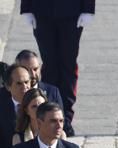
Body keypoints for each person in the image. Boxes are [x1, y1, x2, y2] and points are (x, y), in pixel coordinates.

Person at [20, 0, 96, 136]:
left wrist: (88, 8)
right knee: (49, 66)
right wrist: (26, 7)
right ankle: (48, 114)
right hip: (42, 11)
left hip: (72, 11)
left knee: (68, 66)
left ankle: (65, 118)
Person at [15, 49, 73, 136]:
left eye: (35, 69)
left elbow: (61, 122)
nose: (33, 74)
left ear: (40, 67)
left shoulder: (52, 92)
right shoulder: (6, 94)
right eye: (27, 70)